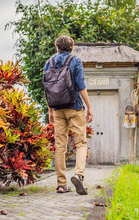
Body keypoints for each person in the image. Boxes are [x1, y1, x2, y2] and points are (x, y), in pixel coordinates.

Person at [42, 35, 93, 195]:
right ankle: (78, 174)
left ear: (57, 47)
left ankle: (61, 185)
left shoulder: (48, 63)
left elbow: (47, 88)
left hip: (57, 108)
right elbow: (81, 86)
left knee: (60, 146)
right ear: (72, 47)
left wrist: (50, 110)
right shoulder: (75, 61)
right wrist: (89, 107)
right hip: (74, 106)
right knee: (80, 143)